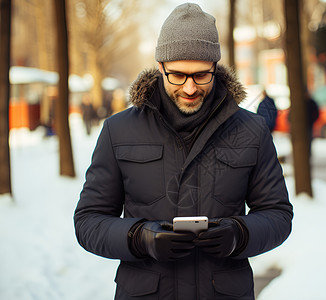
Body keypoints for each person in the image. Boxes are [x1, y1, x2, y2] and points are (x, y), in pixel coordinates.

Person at [74, 3, 293, 300]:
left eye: (201, 75)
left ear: (215, 68)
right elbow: (88, 221)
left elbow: (278, 214)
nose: (190, 87)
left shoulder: (251, 131)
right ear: (160, 67)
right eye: (177, 75)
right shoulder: (118, 131)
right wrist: (138, 238)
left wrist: (240, 234)